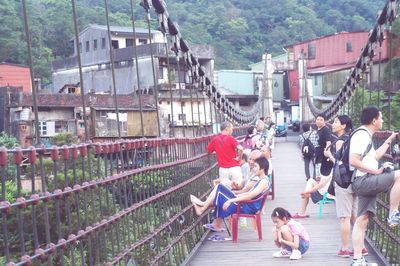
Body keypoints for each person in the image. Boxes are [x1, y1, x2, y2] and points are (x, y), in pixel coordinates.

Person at [350, 106, 400, 266]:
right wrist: (377, 171)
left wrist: (389, 139)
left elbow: (374, 156)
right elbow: (353, 161)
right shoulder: (361, 136)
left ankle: (357, 259)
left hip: (363, 180)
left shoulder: (365, 135)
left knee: (362, 220)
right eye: (381, 118)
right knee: (399, 175)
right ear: (374, 120)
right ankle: (393, 213)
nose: (383, 120)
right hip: (364, 180)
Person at [323, 115, 368, 257]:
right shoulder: (353, 138)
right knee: (355, 215)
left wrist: (329, 155)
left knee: (345, 217)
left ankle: (344, 248)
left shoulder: (340, 141)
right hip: (356, 179)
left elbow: (340, 162)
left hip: (343, 182)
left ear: (343, 126)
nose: (333, 124)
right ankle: (362, 247)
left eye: (336, 122)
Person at [190, 157, 270, 233]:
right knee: (220, 190)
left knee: (219, 188)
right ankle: (203, 206)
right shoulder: (262, 180)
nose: (253, 168)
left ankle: (203, 206)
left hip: (246, 207)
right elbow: (248, 194)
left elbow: (250, 196)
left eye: (256, 166)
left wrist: (231, 199)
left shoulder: (263, 182)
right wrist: (234, 195)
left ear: (262, 168)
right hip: (246, 204)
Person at [207, 121, 244, 189]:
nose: (232, 130)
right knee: (238, 187)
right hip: (234, 167)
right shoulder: (230, 138)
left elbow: (209, 150)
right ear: (227, 128)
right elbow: (241, 149)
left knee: (225, 190)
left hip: (223, 169)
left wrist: (217, 151)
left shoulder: (215, 139)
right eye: (231, 128)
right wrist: (239, 158)